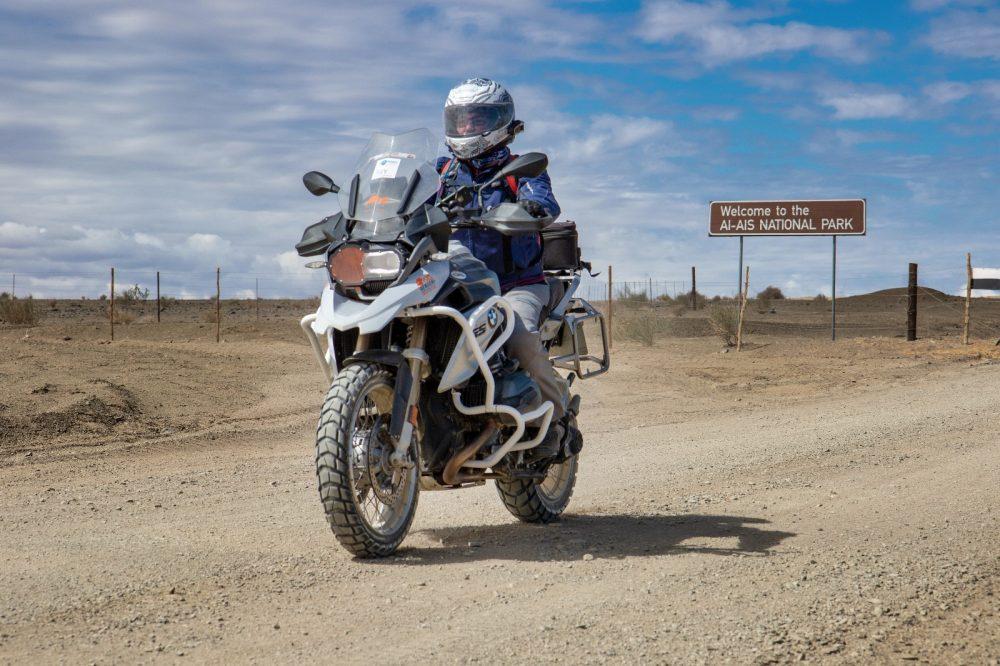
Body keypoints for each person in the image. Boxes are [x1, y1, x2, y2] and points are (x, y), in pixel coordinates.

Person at [436, 77, 575, 460]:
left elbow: (542, 200)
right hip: (458, 282)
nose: (466, 128)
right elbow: (408, 199)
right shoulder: (442, 171)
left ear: (499, 121)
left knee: (519, 333)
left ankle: (556, 420)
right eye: (460, 120)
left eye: (476, 119)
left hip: (516, 284)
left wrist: (531, 209)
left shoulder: (521, 169)